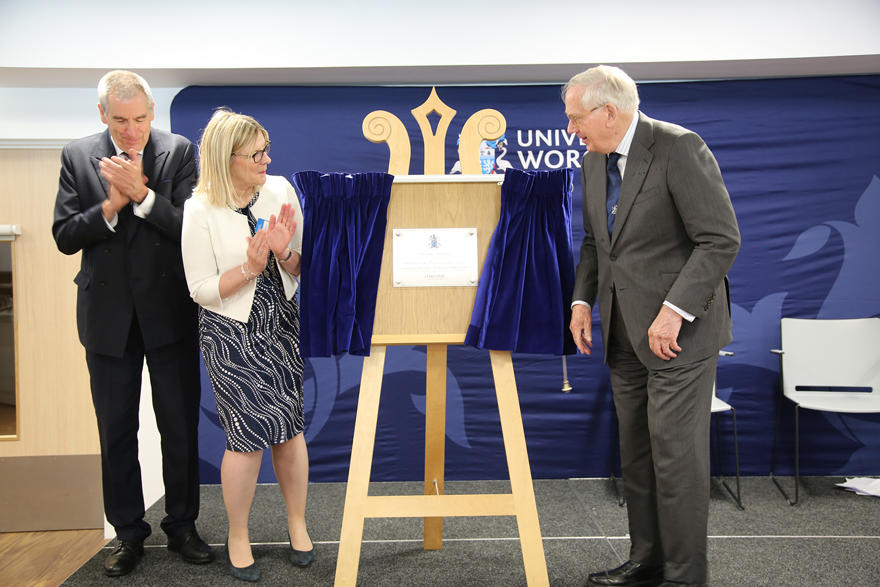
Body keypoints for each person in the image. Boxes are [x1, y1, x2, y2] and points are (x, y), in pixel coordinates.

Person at [563, 66, 740, 586]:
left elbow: (720, 239)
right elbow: (598, 244)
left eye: (576, 119)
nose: (573, 129)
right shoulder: (592, 163)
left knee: (675, 458)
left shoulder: (678, 148)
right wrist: (580, 302)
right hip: (623, 334)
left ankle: (685, 577)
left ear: (608, 112)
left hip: (679, 336)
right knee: (637, 455)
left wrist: (674, 310)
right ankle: (648, 561)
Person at [52, 70, 213, 577]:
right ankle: (126, 534)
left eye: (141, 118)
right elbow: (63, 235)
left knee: (179, 426)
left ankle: (183, 526)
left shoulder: (179, 150)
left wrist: (141, 197)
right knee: (116, 429)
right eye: (120, 120)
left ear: (152, 112)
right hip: (107, 319)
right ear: (103, 114)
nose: (132, 130)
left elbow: (192, 227)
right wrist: (111, 205)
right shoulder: (77, 156)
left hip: (169, 312)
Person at [181, 109, 313, 582]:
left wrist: (282, 253)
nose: (266, 159)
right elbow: (199, 288)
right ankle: (238, 534)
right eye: (256, 153)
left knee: (289, 428)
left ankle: (297, 525)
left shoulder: (279, 190)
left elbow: (302, 266)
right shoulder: (199, 209)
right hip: (230, 332)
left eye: (266, 149)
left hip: (281, 324)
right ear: (226, 157)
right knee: (247, 438)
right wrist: (250, 270)